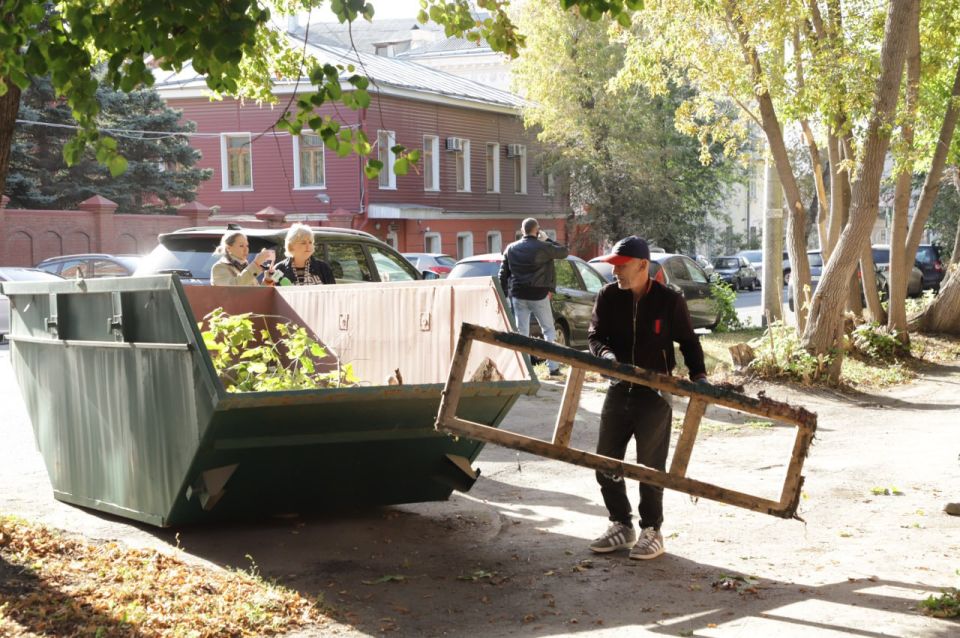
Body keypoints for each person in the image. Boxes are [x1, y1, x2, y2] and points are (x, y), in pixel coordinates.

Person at [587, 236, 707, 560]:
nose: (616, 273)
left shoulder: (669, 300)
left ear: (642, 265)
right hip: (618, 388)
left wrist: (700, 378)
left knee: (650, 468)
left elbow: (688, 342)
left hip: (655, 394)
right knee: (604, 461)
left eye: (621, 266)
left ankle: (651, 530)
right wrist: (607, 355)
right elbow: (595, 336)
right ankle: (621, 525)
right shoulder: (608, 296)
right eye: (613, 266)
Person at [498, 217, 569, 377]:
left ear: (522, 231)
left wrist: (504, 295)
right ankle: (553, 368)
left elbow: (502, 274)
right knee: (548, 330)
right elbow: (564, 252)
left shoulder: (511, 248)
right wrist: (548, 239)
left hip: (518, 295)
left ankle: (524, 370)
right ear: (537, 231)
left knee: (521, 332)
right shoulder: (543, 246)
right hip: (539, 294)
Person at [271, 223, 335, 286]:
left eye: (310, 242)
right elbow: (272, 294)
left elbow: (334, 293)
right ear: (291, 246)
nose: (308, 246)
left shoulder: (323, 268)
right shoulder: (279, 269)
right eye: (303, 243)